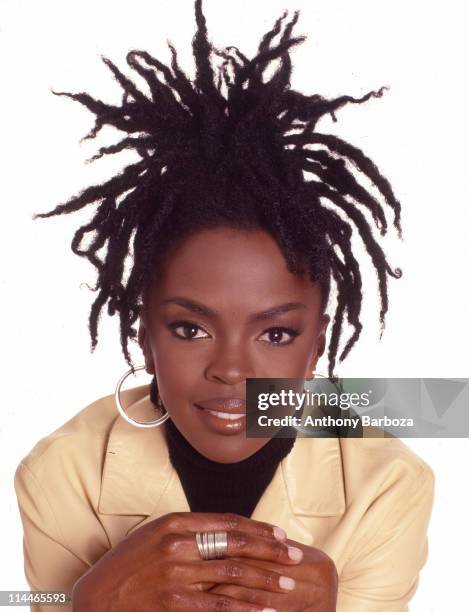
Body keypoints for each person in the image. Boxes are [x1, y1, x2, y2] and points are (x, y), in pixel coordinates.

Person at [14, 1, 435, 610]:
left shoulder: (388, 484)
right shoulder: (61, 473)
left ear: (318, 342)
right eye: (189, 328)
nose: (232, 371)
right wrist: (83, 604)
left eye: (276, 334)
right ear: (143, 334)